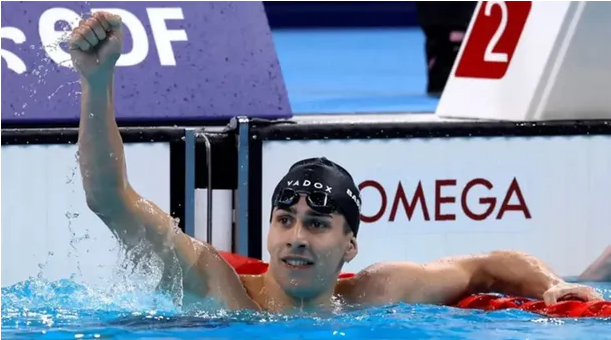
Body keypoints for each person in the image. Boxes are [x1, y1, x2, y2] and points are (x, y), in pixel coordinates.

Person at [70, 12, 603, 312]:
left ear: (350, 246)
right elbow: (109, 199)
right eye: (286, 220)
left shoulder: (375, 293)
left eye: (318, 223)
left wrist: (551, 286)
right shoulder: (220, 289)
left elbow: (488, 263)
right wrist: (96, 83)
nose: (297, 236)